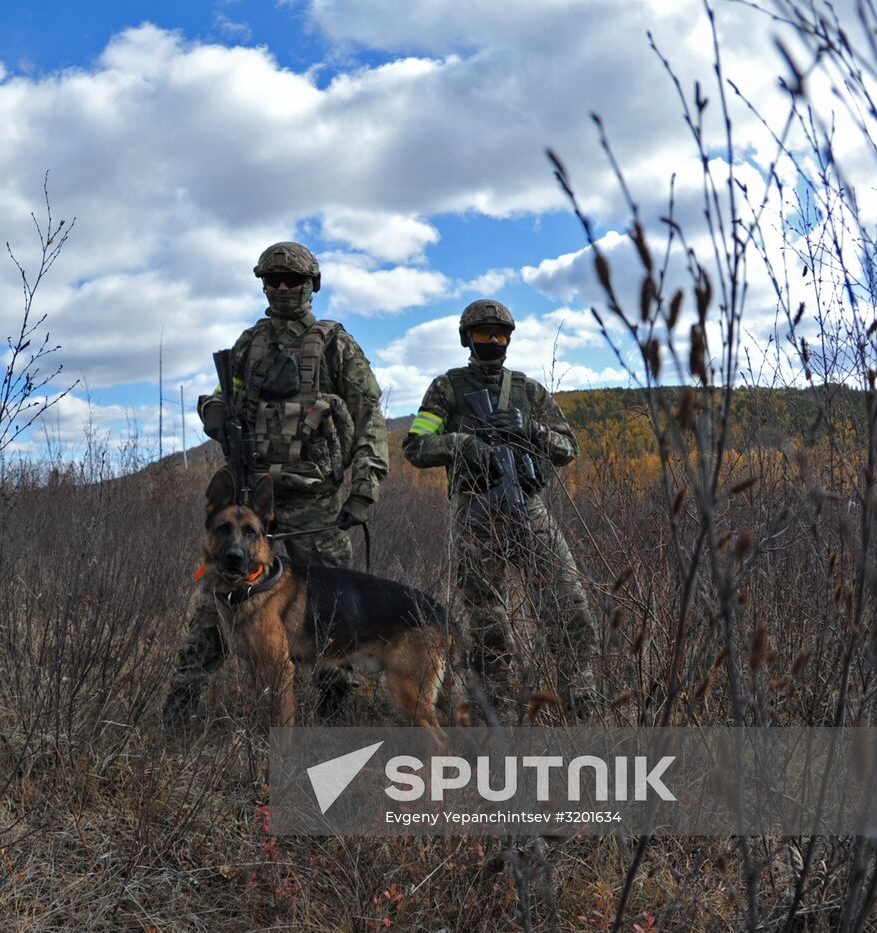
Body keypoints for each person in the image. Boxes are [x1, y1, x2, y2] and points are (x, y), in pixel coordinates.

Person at [162, 241, 389, 730]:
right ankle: (180, 707)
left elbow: (369, 415)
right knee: (216, 608)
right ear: (263, 283)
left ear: (312, 284)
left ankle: (333, 712)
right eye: (274, 279)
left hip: (317, 505)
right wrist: (214, 410)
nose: (284, 288)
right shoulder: (249, 346)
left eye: (294, 280)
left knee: (334, 615)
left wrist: (365, 485)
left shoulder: (335, 345)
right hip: (253, 509)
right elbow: (224, 399)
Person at [402, 298, 597, 718]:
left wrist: (532, 430)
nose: (492, 340)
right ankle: (498, 706)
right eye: (483, 333)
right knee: (486, 621)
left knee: (569, 604)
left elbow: (568, 448)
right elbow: (415, 446)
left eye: (500, 334)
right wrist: (461, 444)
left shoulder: (528, 391)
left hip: (527, 505)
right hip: (476, 511)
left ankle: (581, 699)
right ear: (466, 338)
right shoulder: (446, 388)